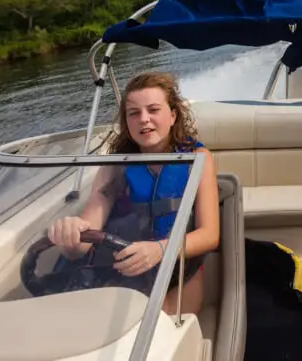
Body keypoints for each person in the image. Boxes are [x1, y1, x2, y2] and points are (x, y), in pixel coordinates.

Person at [46, 71, 219, 315]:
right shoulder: (116, 165)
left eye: (153, 110)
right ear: (126, 121)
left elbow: (210, 234)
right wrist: (71, 236)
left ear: (172, 115)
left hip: (179, 263)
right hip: (126, 264)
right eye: (134, 113)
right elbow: (88, 228)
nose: (144, 119)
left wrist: (160, 250)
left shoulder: (199, 160)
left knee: (161, 324)